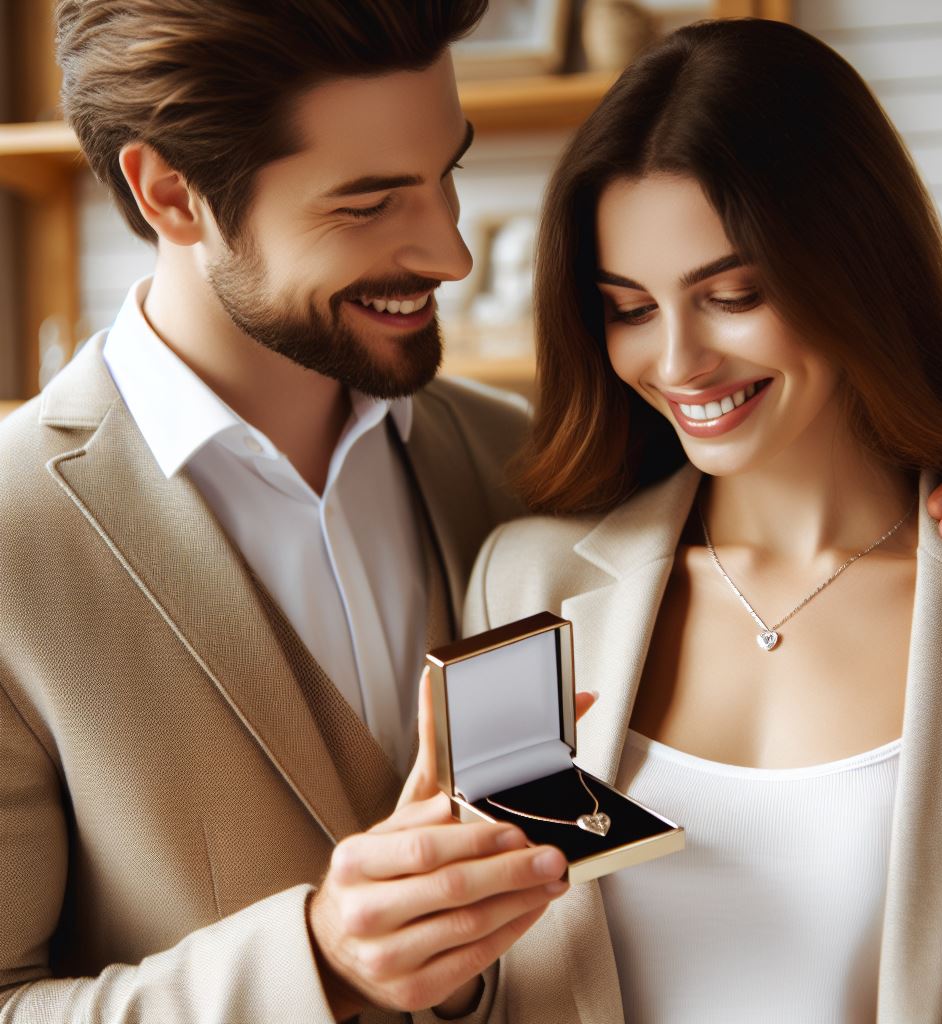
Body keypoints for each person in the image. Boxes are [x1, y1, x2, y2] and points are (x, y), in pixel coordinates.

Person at [0, 3, 578, 1021]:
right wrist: (313, 964)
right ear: (171, 193)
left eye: (448, 173)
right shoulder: (13, 535)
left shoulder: (514, 456)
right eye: (368, 204)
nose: (451, 254)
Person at [464, 19, 942, 1023]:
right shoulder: (527, 589)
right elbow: (487, 977)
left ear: (857, 265)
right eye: (629, 308)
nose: (677, 362)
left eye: (731, 295)